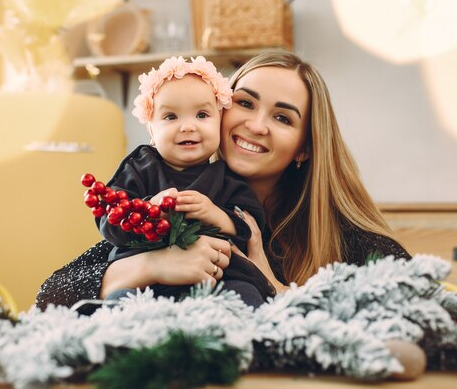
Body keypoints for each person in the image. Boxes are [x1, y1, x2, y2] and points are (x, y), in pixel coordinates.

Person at [35, 50, 411, 311]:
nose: (256, 125)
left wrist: (272, 284)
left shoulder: (342, 237)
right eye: (245, 103)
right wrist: (152, 265)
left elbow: (422, 307)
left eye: (283, 118)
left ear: (305, 147)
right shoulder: (171, 190)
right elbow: (50, 296)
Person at [90, 55, 274, 306]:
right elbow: (109, 219)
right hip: (146, 284)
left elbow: (251, 227)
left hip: (217, 280)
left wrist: (218, 216)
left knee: (247, 293)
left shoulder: (225, 176)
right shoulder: (140, 167)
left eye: (201, 115)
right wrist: (147, 212)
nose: (188, 126)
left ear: (220, 120)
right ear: (151, 129)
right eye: (170, 117)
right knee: (118, 300)